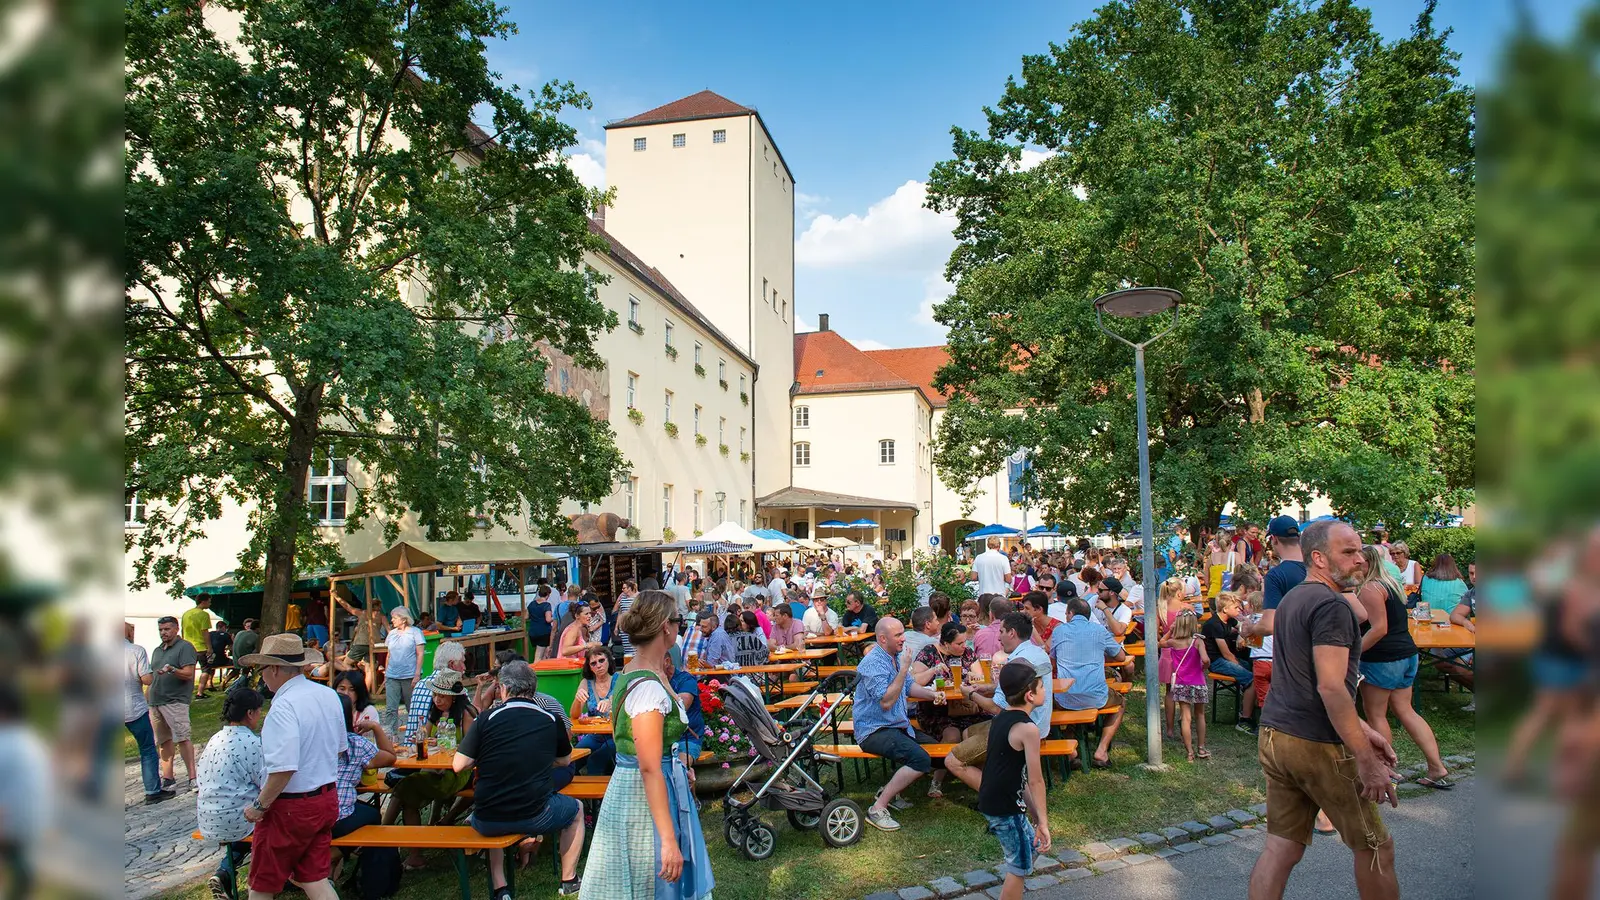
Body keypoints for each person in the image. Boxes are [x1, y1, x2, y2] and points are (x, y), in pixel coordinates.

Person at [1247, 520, 1399, 900]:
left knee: (1281, 848)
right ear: (1318, 558)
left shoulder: (1293, 598)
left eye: (1360, 550)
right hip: (1317, 744)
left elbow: (1308, 680)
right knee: (1376, 848)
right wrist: (1365, 758)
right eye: (1348, 552)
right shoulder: (1332, 605)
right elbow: (1330, 687)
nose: (1360, 560)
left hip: (1276, 735)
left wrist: (1365, 728)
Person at [581, 591, 714, 899]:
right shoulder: (647, 688)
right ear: (666, 626)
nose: (681, 627)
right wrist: (667, 840)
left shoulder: (639, 672)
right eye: (679, 620)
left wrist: (676, 769)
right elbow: (649, 766)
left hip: (650, 785)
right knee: (651, 879)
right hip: (642, 797)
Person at [457, 660, 585, 898]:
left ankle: (501, 888)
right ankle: (569, 880)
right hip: (536, 815)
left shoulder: (486, 718)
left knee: (493, 813)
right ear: (533, 689)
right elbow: (565, 760)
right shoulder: (550, 718)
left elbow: (459, 765)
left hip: (487, 817)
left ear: (504, 688)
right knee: (577, 809)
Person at [237, 634, 347, 900]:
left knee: (262, 884)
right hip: (325, 798)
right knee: (314, 879)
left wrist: (259, 806)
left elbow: (284, 769)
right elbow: (339, 747)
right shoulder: (328, 694)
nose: (262, 676)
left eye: (263, 669)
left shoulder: (283, 706)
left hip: (290, 807)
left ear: (275, 668)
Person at [1353, 544, 1452, 790]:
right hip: (1407, 654)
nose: (1353, 564)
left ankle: (1383, 774)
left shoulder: (1370, 588)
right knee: (1406, 710)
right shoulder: (1390, 584)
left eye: (1358, 561)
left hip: (1383, 658)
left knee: (1376, 715)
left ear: (1368, 564)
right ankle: (1436, 767)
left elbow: (1379, 629)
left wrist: (1353, 653)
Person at [945, 612, 1059, 791]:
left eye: (1002, 631)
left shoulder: (1016, 662)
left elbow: (996, 708)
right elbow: (1018, 687)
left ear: (1012, 633)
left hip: (1017, 729)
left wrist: (970, 694)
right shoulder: (1036, 652)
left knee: (952, 761)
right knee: (968, 732)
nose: (999, 637)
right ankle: (994, 778)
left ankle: (996, 794)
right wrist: (989, 687)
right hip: (1038, 724)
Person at [852, 617, 948, 831]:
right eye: (898, 635)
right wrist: (904, 669)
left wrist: (932, 695)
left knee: (939, 756)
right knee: (920, 759)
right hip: (874, 730)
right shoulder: (873, 663)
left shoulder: (895, 656)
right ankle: (878, 808)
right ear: (882, 639)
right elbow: (886, 701)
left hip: (897, 725)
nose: (903, 639)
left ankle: (890, 790)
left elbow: (908, 687)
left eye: (903, 633)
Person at [978, 662, 1052, 900]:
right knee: (1019, 867)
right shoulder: (1028, 730)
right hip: (1005, 808)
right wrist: (1043, 823)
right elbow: (1036, 780)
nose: (1045, 689)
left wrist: (1034, 813)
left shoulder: (1001, 717)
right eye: (1042, 686)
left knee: (1030, 849)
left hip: (998, 800)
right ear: (1030, 695)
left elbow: (1017, 775)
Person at [197, 688, 266, 900]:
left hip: (208, 817)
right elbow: (267, 785)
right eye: (259, 711)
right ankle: (268, 877)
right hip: (237, 820)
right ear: (250, 713)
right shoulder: (252, 743)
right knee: (267, 815)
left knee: (243, 816)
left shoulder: (215, 739)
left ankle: (225, 873)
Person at [1051, 597, 1127, 769]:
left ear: (1070, 613)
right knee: (1121, 702)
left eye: (1066, 614)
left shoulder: (1059, 631)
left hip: (1065, 698)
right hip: (1096, 697)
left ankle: (1071, 751)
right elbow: (1121, 656)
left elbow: (1053, 662)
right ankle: (1101, 750)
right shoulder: (1099, 630)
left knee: (1057, 706)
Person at [913, 622, 982, 797]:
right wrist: (933, 670)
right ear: (945, 643)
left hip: (964, 708)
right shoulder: (929, 653)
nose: (964, 646)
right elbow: (914, 681)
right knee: (952, 735)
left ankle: (979, 777)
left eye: (965, 642)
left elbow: (980, 676)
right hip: (935, 710)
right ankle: (937, 780)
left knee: (979, 733)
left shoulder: (967, 653)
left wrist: (974, 677)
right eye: (959, 643)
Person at [150, 614, 199, 792]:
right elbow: (153, 676)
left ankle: (193, 778)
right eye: (160, 630)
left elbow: (188, 674)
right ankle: (169, 779)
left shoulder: (185, 647)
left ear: (176, 629)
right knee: (163, 741)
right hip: (155, 701)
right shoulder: (157, 650)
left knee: (182, 738)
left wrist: (172, 669)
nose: (163, 633)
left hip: (175, 701)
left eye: (167, 629)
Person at [124, 623, 172, 805]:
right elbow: (146, 679)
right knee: (147, 749)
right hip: (133, 708)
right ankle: (152, 791)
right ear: (129, 633)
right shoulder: (136, 650)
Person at [1202, 592, 1258, 733]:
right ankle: (1244, 719)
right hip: (1216, 662)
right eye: (1236, 607)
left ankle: (1247, 703)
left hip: (1224, 658)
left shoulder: (1229, 620)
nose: (1240, 610)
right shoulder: (1214, 624)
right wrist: (1237, 664)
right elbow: (1226, 654)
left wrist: (1240, 636)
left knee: (1251, 668)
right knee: (1252, 678)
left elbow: (1243, 625)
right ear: (1225, 609)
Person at [1164, 612, 1211, 761]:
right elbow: (1205, 659)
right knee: (1200, 714)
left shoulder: (1173, 642)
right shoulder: (1198, 641)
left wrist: (1170, 630)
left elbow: (1160, 643)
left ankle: (1189, 751)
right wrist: (1203, 667)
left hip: (1181, 683)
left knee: (1185, 717)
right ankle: (1201, 748)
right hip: (1198, 682)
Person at [572, 646, 618, 775]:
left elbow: (620, 700)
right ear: (590, 667)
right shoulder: (586, 683)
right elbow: (574, 715)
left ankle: (599, 788)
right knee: (572, 760)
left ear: (609, 660)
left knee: (595, 760)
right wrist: (577, 700)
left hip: (615, 735)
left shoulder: (618, 679)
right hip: (596, 734)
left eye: (601, 660)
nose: (598, 665)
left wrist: (609, 702)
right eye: (593, 663)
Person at [381, 608, 425, 735]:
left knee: (412, 707)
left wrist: (417, 674)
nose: (392, 620)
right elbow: (389, 655)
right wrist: (386, 674)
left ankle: (416, 734)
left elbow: (420, 654)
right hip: (392, 676)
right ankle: (391, 736)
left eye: (395, 618)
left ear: (404, 619)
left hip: (410, 676)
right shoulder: (392, 634)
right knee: (390, 708)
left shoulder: (415, 632)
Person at [1151, 578, 1185, 741]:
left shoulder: (1160, 609)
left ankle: (1170, 729)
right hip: (1184, 651)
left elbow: (1153, 631)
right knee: (1185, 689)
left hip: (1167, 652)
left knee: (1170, 691)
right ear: (1179, 592)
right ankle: (1184, 721)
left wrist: (1163, 641)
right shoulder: (1187, 609)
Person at [181, 595, 215, 698]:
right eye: (209, 601)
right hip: (200, 647)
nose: (210, 604)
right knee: (205, 669)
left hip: (188, 646)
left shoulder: (186, 614)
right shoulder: (204, 615)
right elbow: (205, 632)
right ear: (203, 602)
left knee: (189, 670)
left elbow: (183, 630)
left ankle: (186, 692)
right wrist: (209, 647)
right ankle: (200, 692)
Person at [528, 584, 554, 661]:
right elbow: (548, 619)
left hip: (533, 632)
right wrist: (555, 617)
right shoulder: (546, 605)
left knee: (543, 655)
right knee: (538, 655)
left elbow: (526, 616)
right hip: (543, 632)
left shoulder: (532, 604)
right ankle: (535, 668)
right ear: (548, 594)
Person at [209, 619, 236, 689]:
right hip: (222, 660)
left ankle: (209, 683)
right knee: (236, 666)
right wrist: (232, 639)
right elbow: (232, 648)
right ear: (223, 627)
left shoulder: (210, 634)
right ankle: (225, 681)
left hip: (210, 659)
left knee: (211, 666)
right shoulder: (226, 635)